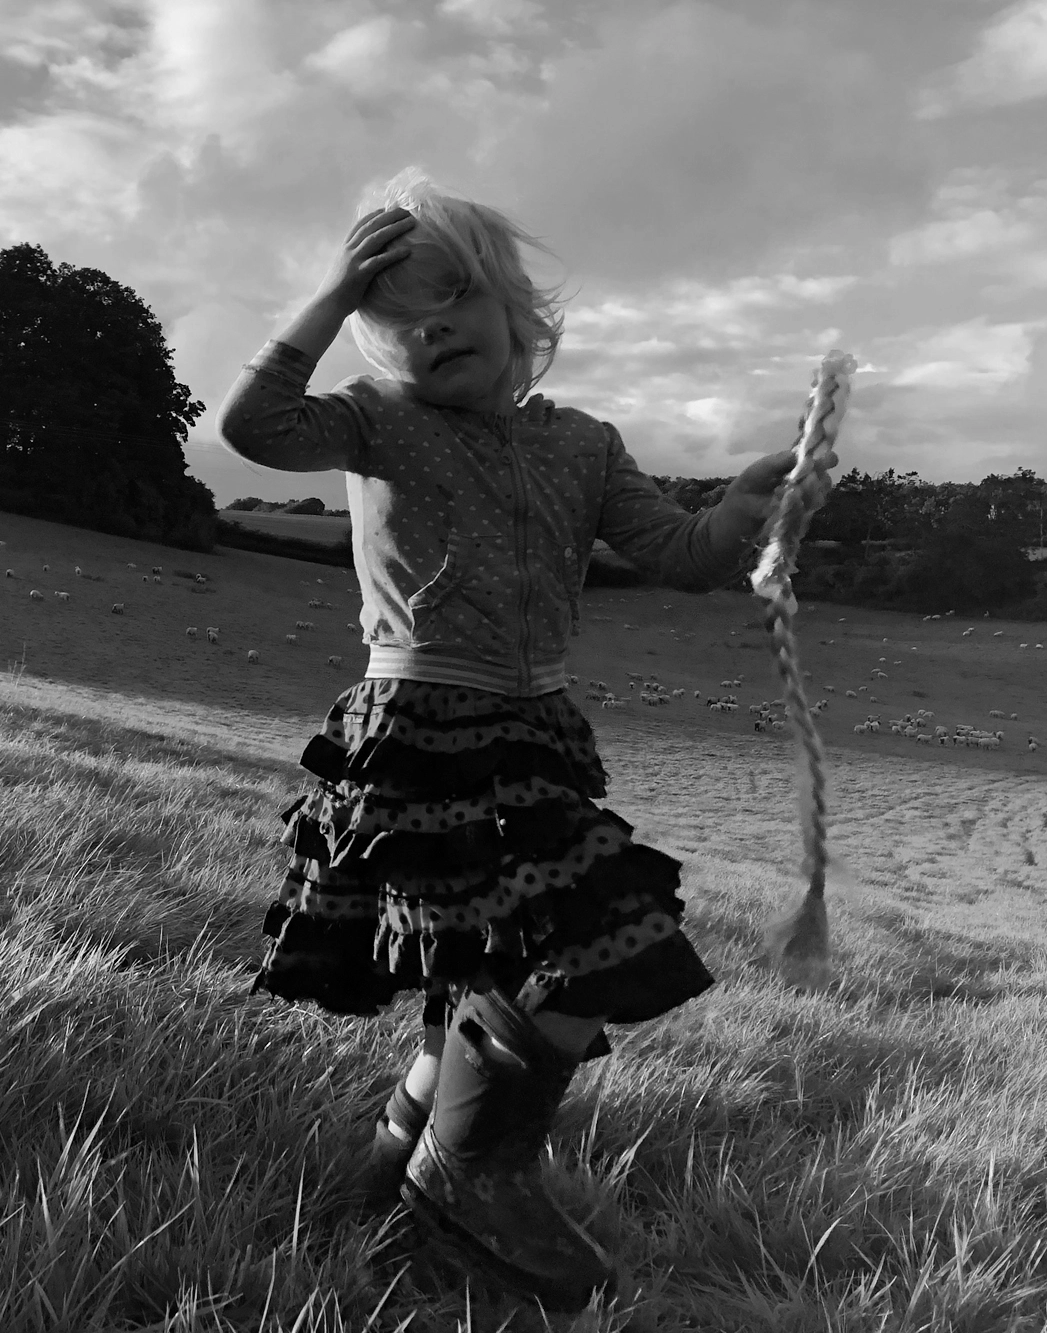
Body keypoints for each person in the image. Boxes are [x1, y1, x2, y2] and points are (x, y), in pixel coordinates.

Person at [216, 171, 831, 1310]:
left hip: (534, 732)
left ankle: (385, 1196)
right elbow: (250, 429)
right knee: (600, 938)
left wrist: (739, 512)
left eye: (452, 295)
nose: (430, 326)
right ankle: (472, 1170)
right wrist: (326, 298)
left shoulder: (584, 445)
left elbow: (678, 553)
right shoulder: (372, 418)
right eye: (393, 311)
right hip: (418, 727)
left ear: (516, 309)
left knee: (480, 983)